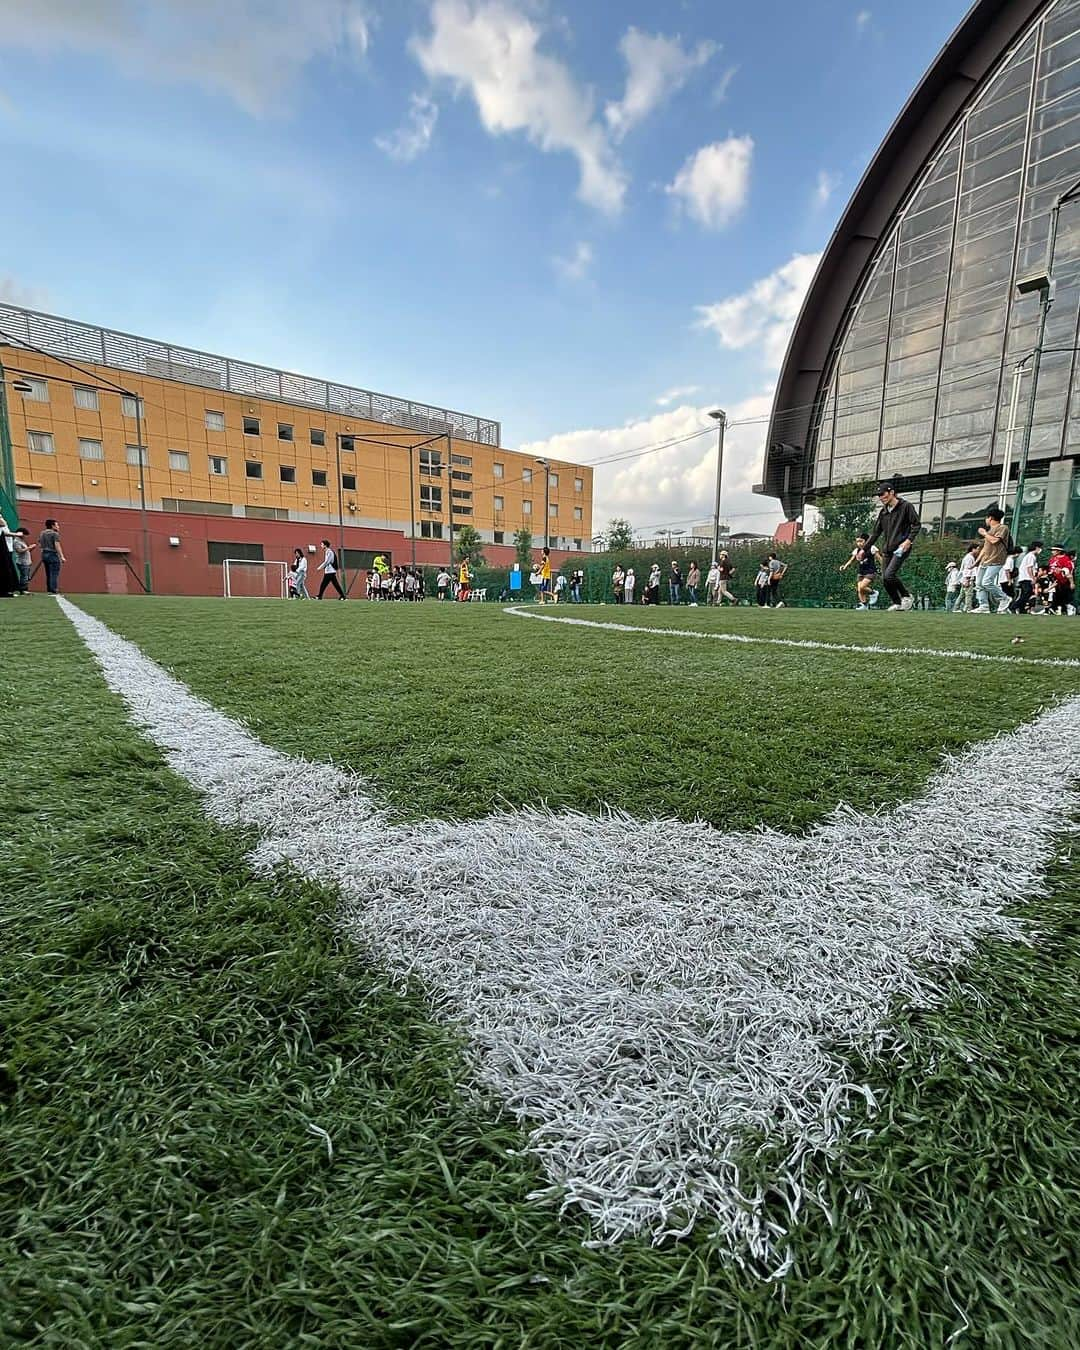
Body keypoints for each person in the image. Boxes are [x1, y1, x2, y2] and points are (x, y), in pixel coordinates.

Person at [865, 481, 919, 610]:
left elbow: (917, 525)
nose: (881, 497)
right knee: (885, 579)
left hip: (901, 547)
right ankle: (897, 602)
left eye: (883, 494)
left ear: (891, 493)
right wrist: (864, 550)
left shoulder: (906, 507)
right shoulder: (883, 512)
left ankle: (906, 596)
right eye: (879, 495)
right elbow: (876, 533)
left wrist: (908, 540)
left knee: (889, 575)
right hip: (887, 549)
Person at [971, 507, 1009, 614]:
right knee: (979, 584)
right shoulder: (989, 531)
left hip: (996, 560)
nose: (986, 521)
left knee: (986, 582)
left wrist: (984, 533)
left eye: (986, 518)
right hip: (985, 561)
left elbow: (995, 541)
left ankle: (1004, 598)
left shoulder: (1002, 528)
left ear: (990, 518)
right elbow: (984, 549)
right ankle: (983, 605)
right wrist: (976, 562)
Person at [839, 533, 882, 610]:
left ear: (867, 541)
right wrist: (845, 566)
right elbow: (851, 560)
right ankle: (864, 605)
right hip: (861, 572)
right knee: (860, 589)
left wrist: (885, 567)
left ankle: (873, 593)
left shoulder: (872, 548)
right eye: (857, 541)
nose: (859, 543)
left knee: (862, 586)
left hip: (870, 571)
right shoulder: (857, 550)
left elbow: (879, 558)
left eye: (861, 541)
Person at [1012, 540, 1042, 615]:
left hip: (1024, 578)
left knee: (1024, 594)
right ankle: (1014, 606)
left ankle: (1022, 609)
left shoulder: (1030, 556)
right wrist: (1033, 578)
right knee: (1027, 593)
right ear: (1037, 548)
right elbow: (1029, 568)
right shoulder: (1031, 556)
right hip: (1026, 578)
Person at [38, 518, 65, 596]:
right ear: (53, 526)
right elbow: (57, 545)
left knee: (48, 573)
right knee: (54, 573)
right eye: (57, 525)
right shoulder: (54, 534)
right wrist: (62, 556)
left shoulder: (42, 533)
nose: (58, 527)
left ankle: (49, 589)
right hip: (52, 554)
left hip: (44, 554)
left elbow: (40, 544)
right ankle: (54, 589)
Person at [1047, 545, 1075, 615]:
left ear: (1059, 551)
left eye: (1054, 550)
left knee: (1066, 597)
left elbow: (1068, 572)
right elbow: (1051, 570)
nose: (1052, 552)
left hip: (1065, 582)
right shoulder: (1052, 559)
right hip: (1057, 582)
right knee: (1057, 597)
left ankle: (1070, 609)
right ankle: (1058, 610)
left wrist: (1071, 583)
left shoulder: (1065, 559)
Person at [952, 542, 979, 614]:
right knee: (969, 594)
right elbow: (968, 569)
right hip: (967, 578)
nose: (978, 551)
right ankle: (968, 608)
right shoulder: (969, 558)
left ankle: (956, 607)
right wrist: (967, 579)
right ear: (973, 549)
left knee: (962, 594)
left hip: (964, 578)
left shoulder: (968, 557)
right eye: (977, 549)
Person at [0, 514, 18, 597]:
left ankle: (7, 590)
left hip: (6, 547)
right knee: (5, 569)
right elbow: (3, 523)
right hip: (3, 548)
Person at [12, 527, 32, 594]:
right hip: (22, 561)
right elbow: (19, 551)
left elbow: (25, 551)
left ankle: (24, 589)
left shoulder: (21, 541)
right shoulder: (16, 541)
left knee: (26, 576)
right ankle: (23, 590)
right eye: (25, 535)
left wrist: (29, 548)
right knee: (24, 576)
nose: (26, 536)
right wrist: (29, 547)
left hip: (26, 561)